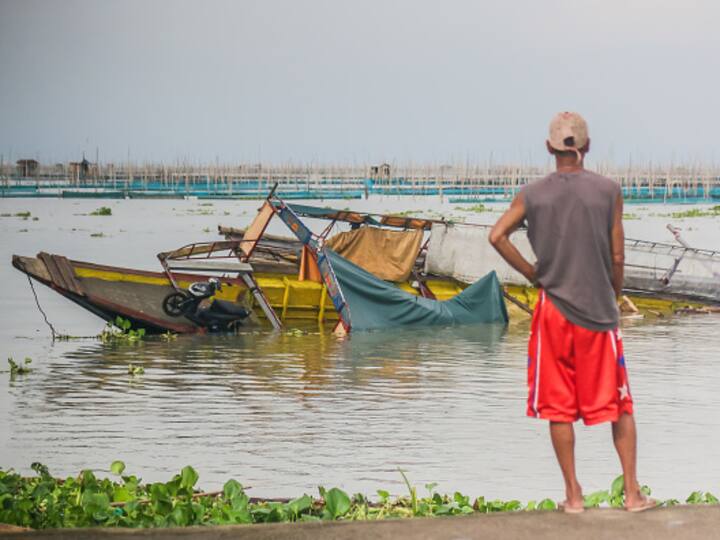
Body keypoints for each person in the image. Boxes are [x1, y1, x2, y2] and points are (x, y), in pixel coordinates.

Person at [488, 112, 656, 513]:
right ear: (587, 146)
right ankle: (632, 495)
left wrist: (534, 274)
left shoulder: (532, 194)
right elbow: (618, 255)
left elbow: (497, 236)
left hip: (553, 312)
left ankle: (574, 497)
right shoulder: (608, 190)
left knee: (558, 405)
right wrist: (612, 296)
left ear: (549, 147)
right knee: (620, 404)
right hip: (599, 311)